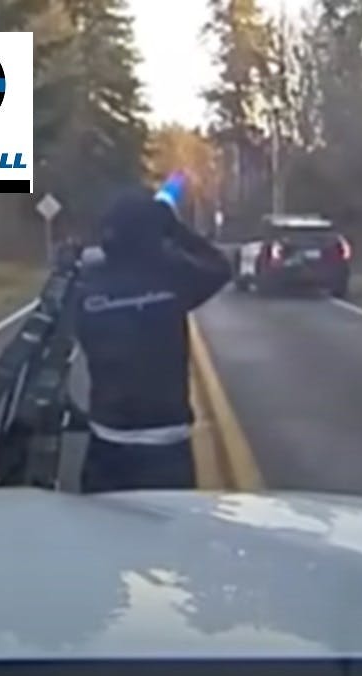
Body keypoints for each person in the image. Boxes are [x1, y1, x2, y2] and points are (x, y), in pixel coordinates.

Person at [74, 184, 231, 492]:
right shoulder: (174, 275)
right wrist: (175, 229)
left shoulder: (87, 285)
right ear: (155, 231)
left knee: (100, 530)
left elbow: (71, 331)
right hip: (167, 439)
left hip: (108, 436)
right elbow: (220, 267)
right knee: (168, 530)